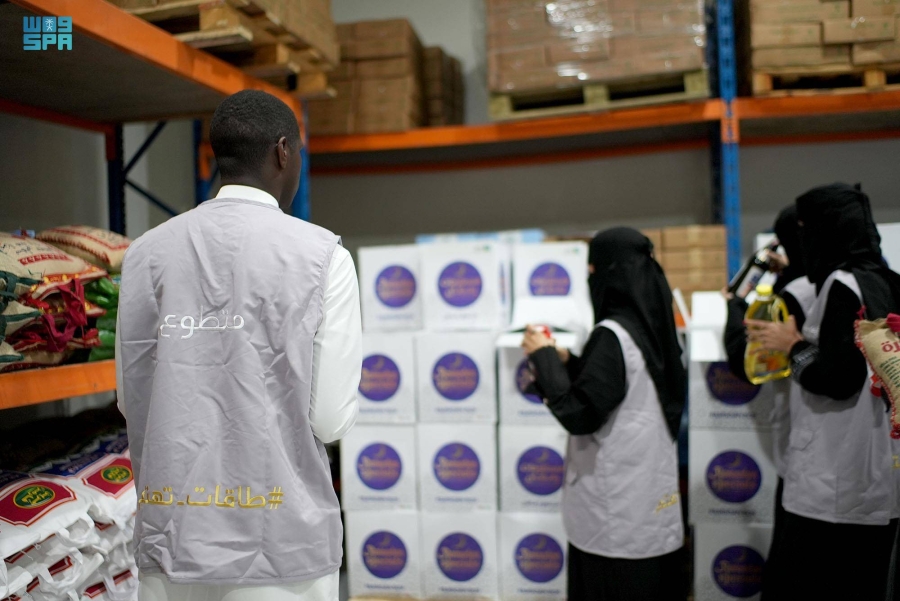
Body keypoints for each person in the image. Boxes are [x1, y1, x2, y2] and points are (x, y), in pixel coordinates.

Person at [116, 90, 361, 601]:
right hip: (280, 546)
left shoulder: (145, 254)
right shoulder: (323, 257)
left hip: (174, 535)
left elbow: (132, 397)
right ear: (283, 152)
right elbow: (329, 420)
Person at [748, 183, 900, 600]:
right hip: (875, 474)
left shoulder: (842, 284)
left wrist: (792, 345)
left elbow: (837, 378)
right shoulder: (886, 280)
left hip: (833, 477)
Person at [522, 227, 686, 601]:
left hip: (617, 510)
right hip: (649, 493)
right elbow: (615, 385)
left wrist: (543, 356)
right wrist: (569, 360)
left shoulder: (611, 335)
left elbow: (580, 412)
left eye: (592, 272)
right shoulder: (651, 329)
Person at [722, 205, 816, 601]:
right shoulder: (841, 283)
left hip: (805, 446)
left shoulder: (794, 295)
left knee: (794, 564)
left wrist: (734, 306)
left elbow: (745, 360)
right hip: (849, 460)